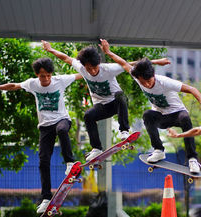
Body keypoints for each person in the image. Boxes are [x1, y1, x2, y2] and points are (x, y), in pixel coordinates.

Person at [0, 57, 82, 213]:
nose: (46, 79)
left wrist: (110, 68)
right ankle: (46, 198)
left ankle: (70, 163)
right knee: (43, 161)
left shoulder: (60, 80)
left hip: (62, 120)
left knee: (62, 130)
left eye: (48, 75)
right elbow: (14, 85)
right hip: (45, 127)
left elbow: (82, 73)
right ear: (37, 74)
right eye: (42, 76)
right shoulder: (32, 83)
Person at [42, 40, 170, 162]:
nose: (92, 71)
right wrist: (50, 49)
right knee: (88, 115)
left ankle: (124, 131)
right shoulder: (81, 68)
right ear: (84, 66)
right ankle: (96, 148)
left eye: (94, 67)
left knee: (120, 95)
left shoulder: (109, 69)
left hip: (117, 104)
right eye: (88, 68)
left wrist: (156, 61)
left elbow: (130, 64)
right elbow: (66, 58)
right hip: (101, 107)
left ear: (98, 63)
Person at [99, 39, 201, 173]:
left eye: (149, 81)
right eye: (143, 83)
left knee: (185, 117)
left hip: (177, 114)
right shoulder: (138, 77)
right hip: (161, 117)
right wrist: (108, 52)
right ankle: (158, 150)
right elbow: (123, 63)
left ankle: (192, 159)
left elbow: (192, 89)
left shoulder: (165, 82)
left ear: (153, 75)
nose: (147, 85)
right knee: (147, 114)